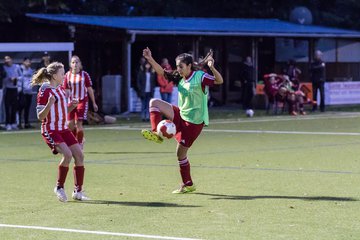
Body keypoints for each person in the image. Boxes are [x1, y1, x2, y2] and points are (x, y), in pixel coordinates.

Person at [141, 47, 223, 194]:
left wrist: (211, 67)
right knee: (154, 102)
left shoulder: (200, 76)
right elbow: (162, 72)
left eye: (180, 66)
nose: (177, 69)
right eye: (177, 66)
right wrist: (150, 58)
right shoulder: (179, 77)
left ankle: (188, 184)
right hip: (181, 114)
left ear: (189, 66)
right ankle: (156, 133)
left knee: (180, 155)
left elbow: (219, 80)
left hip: (194, 123)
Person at [32, 62, 89, 202]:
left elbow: (64, 111)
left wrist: (72, 106)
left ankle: (78, 191)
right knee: (68, 154)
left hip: (63, 129)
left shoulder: (61, 89)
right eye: (62, 73)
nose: (64, 76)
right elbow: (40, 117)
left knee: (79, 155)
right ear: (53, 75)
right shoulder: (44, 91)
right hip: (50, 130)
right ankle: (59, 187)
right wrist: (49, 104)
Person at [63, 55, 98, 148]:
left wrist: (94, 103)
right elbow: (65, 90)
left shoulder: (84, 75)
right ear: (70, 64)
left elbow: (90, 89)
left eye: (77, 62)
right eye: (73, 62)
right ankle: (78, 139)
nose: (75, 64)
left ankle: (79, 144)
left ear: (80, 64)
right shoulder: (67, 75)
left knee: (78, 122)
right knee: (70, 125)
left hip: (82, 101)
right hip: (71, 102)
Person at [3, 56, 22, 131]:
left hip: (15, 89)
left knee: (14, 107)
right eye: (6, 59)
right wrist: (9, 79)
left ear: (11, 59)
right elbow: (3, 78)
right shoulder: (4, 67)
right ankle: (8, 124)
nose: (7, 60)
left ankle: (13, 123)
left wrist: (16, 78)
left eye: (8, 59)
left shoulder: (17, 66)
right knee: (7, 107)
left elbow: (21, 76)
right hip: (7, 89)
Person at [18, 57, 35, 129]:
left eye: (29, 62)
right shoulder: (20, 69)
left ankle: (26, 123)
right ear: (23, 62)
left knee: (27, 108)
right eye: (27, 61)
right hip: (22, 92)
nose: (28, 63)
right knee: (20, 108)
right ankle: (18, 123)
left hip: (29, 92)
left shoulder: (31, 70)